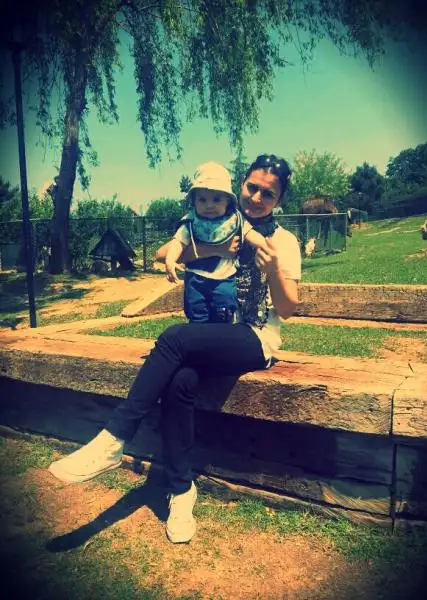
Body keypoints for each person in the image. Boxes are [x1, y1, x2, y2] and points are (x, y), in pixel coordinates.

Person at [48, 154, 301, 544]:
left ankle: (114, 438)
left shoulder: (282, 241)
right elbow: (164, 253)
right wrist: (215, 250)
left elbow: (287, 308)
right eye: (251, 187)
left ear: (279, 200)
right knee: (180, 381)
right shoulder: (218, 224)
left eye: (268, 193)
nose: (256, 197)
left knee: (173, 338)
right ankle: (182, 490)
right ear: (240, 186)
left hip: (253, 338)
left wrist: (272, 271)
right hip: (213, 334)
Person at [166, 161, 272, 323]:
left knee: (225, 310)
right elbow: (177, 242)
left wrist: (266, 246)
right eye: (202, 200)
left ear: (228, 201)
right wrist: (170, 260)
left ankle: (222, 332)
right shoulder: (191, 221)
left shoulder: (234, 220)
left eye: (216, 200)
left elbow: (251, 234)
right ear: (194, 201)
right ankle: (199, 334)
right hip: (196, 278)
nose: (209, 205)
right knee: (196, 314)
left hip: (224, 277)